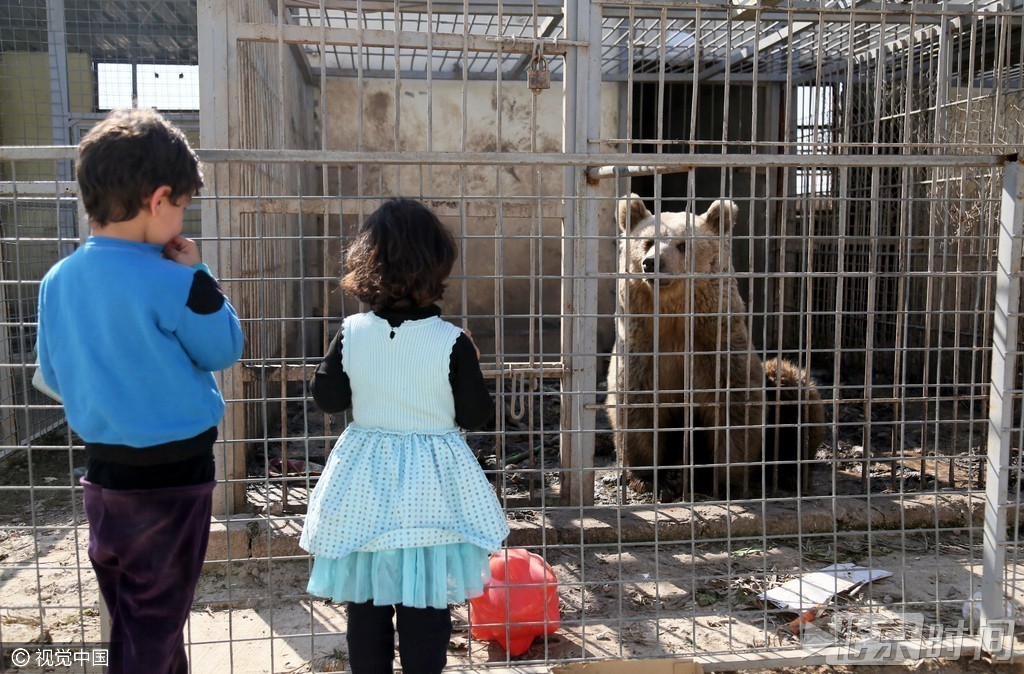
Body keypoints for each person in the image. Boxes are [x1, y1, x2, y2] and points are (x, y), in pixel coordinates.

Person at [34, 108, 245, 674]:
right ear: (159, 200)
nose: (180, 221)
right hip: (175, 477)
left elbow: (51, 376)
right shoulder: (174, 279)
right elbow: (223, 348)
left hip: (102, 474)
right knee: (155, 621)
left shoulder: (57, 279)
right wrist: (198, 273)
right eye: (181, 207)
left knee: (137, 610)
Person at [300, 198, 508, 674]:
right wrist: (469, 363)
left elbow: (328, 399)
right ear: (437, 265)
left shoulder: (351, 332)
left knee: (366, 603)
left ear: (364, 265)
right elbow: (477, 415)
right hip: (432, 490)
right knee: (426, 604)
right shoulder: (451, 341)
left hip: (364, 483)